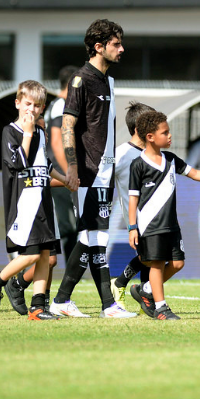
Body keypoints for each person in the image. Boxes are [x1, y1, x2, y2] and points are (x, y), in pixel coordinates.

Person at [49, 18, 136, 319]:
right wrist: (72, 167)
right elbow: (67, 125)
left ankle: (61, 300)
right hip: (88, 171)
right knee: (97, 237)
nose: (122, 49)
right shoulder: (80, 79)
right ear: (98, 47)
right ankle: (108, 306)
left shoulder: (108, 81)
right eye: (116, 44)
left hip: (105, 171)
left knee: (89, 238)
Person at [0, 81, 68, 320]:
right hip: (25, 205)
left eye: (38, 105)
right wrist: (28, 133)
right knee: (29, 255)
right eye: (28, 103)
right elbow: (19, 162)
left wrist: (65, 179)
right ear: (18, 103)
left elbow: (44, 164)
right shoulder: (11, 131)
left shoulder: (40, 132)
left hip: (43, 202)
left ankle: (38, 306)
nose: (32, 109)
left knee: (45, 255)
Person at [127, 111, 200, 320]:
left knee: (178, 264)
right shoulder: (138, 165)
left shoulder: (170, 159)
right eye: (165, 132)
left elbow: (194, 173)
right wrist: (132, 228)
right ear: (150, 137)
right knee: (157, 264)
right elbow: (133, 199)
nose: (170, 136)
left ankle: (147, 290)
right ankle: (161, 308)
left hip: (172, 225)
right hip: (150, 226)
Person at [109, 101, 154, 309]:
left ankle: (143, 294)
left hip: (154, 212)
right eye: (151, 124)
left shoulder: (152, 153)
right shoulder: (121, 154)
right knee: (151, 256)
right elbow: (106, 180)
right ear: (138, 129)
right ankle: (120, 283)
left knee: (150, 257)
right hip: (136, 216)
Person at [46, 65, 79, 261]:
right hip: (60, 175)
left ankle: (73, 269)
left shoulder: (58, 104)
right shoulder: (61, 105)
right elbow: (57, 142)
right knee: (68, 226)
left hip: (62, 175)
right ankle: (71, 269)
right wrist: (69, 174)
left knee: (72, 226)